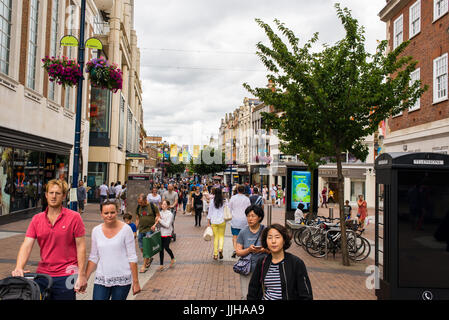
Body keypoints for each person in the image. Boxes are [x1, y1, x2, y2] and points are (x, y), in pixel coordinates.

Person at [12, 179, 87, 300]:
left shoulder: (74, 217)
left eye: (57, 193)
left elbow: (81, 247)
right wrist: (19, 267)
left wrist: (82, 274)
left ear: (63, 196)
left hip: (67, 275)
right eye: (51, 193)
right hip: (43, 275)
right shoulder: (37, 219)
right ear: (46, 195)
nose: (54, 196)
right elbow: (27, 245)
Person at [85, 199, 140, 300]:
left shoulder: (126, 230)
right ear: (101, 214)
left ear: (117, 212)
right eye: (106, 213)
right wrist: (85, 279)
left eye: (112, 212)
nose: (109, 215)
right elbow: (93, 257)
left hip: (122, 279)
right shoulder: (96, 231)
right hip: (102, 278)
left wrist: (136, 282)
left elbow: (132, 257)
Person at [247, 224, 313, 300]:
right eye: (270, 237)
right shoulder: (262, 262)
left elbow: (306, 294)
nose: (273, 241)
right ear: (266, 241)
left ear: (284, 240)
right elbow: (253, 289)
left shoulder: (296, 263)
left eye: (277, 237)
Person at [236, 205, 267, 300]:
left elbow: (273, 249)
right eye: (248, 216)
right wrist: (248, 250)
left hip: (263, 269)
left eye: (253, 216)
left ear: (260, 217)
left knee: (263, 295)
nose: (250, 218)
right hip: (247, 269)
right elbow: (238, 251)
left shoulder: (266, 231)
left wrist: (264, 250)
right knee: (246, 295)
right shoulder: (243, 232)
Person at [135, 194, 160, 273]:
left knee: (146, 247)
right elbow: (137, 218)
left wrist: (155, 224)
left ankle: (144, 265)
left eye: (141, 202)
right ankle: (148, 258)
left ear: (145, 200)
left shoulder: (152, 206)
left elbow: (158, 215)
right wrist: (135, 229)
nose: (140, 204)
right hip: (141, 229)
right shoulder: (139, 207)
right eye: (139, 202)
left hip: (149, 229)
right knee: (141, 247)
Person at [229, 185, 251, 258]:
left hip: (235, 219)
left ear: (237, 190)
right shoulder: (247, 199)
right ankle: (241, 250)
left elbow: (230, 208)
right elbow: (249, 209)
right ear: (244, 191)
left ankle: (236, 250)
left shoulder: (233, 198)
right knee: (244, 236)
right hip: (244, 220)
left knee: (235, 236)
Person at [155, 200, 176, 271]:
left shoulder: (170, 214)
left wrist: (160, 220)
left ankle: (172, 257)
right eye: (162, 204)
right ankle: (161, 265)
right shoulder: (160, 213)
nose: (163, 206)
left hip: (167, 233)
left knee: (166, 247)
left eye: (164, 204)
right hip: (161, 233)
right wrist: (156, 223)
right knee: (160, 249)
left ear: (167, 206)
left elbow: (167, 225)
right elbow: (158, 225)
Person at [207, 188, 226, 260]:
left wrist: (208, 222)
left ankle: (215, 254)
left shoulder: (212, 201)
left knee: (216, 238)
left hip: (214, 221)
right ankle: (220, 249)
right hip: (222, 220)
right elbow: (227, 209)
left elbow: (210, 212)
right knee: (221, 236)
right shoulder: (224, 200)